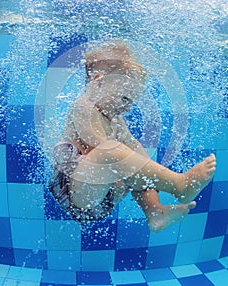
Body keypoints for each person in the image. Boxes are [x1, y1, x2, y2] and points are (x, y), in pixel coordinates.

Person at [49, 40, 216, 232]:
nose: (128, 107)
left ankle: (155, 211)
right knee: (112, 152)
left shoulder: (115, 120)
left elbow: (134, 153)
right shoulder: (84, 107)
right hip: (76, 191)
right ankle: (179, 184)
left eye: (131, 102)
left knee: (136, 158)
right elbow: (98, 147)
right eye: (125, 99)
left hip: (104, 194)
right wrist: (129, 166)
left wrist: (143, 169)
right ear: (99, 80)